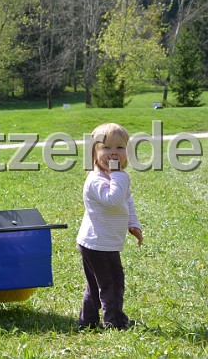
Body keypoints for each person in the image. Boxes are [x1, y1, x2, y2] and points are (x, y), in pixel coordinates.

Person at [77, 122, 143, 330]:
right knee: (112, 283)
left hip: (98, 241)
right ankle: (115, 322)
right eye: (106, 148)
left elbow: (126, 200)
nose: (113, 153)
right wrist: (119, 174)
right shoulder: (97, 180)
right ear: (94, 153)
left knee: (97, 284)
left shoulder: (113, 177)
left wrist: (133, 223)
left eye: (120, 147)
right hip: (99, 244)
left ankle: (87, 321)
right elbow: (113, 200)